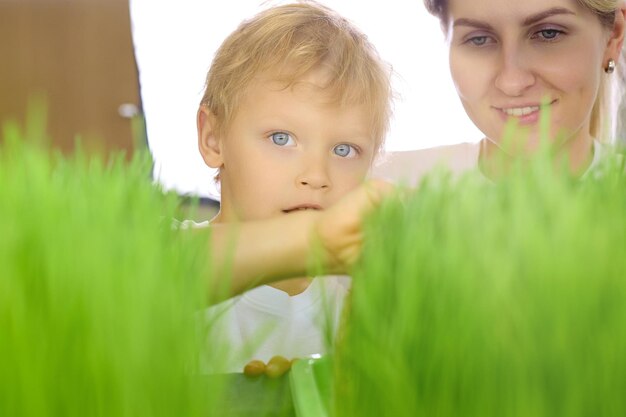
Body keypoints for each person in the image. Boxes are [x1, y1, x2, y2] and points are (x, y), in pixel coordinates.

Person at [196, 2, 393, 374]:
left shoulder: (358, 297)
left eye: (344, 149)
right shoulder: (168, 253)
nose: (316, 175)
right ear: (213, 138)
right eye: (282, 138)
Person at [374, 0, 626, 183]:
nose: (512, 82)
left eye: (548, 33)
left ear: (613, 36)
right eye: (479, 39)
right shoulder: (381, 192)